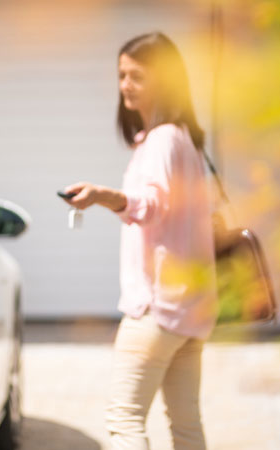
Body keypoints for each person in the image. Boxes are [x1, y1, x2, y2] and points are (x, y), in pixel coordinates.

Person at [61, 32, 217, 450]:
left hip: (157, 308)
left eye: (137, 76)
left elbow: (152, 205)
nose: (125, 85)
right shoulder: (185, 138)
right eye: (121, 75)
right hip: (190, 307)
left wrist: (102, 196)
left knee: (123, 420)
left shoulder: (165, 139)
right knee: (186, 426)